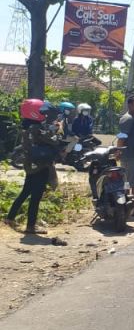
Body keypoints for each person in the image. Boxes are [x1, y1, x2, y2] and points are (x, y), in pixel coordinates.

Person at [5, 99, 64, 235]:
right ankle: (31, 226)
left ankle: (10, 218)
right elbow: (54, 141)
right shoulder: (37, 129)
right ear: (35, 113)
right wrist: (57, 129)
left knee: (25, 192)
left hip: (30, 165)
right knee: (36, 196)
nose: (45, 114)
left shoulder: (27, 127)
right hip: (40, 165)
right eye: (43, 112)